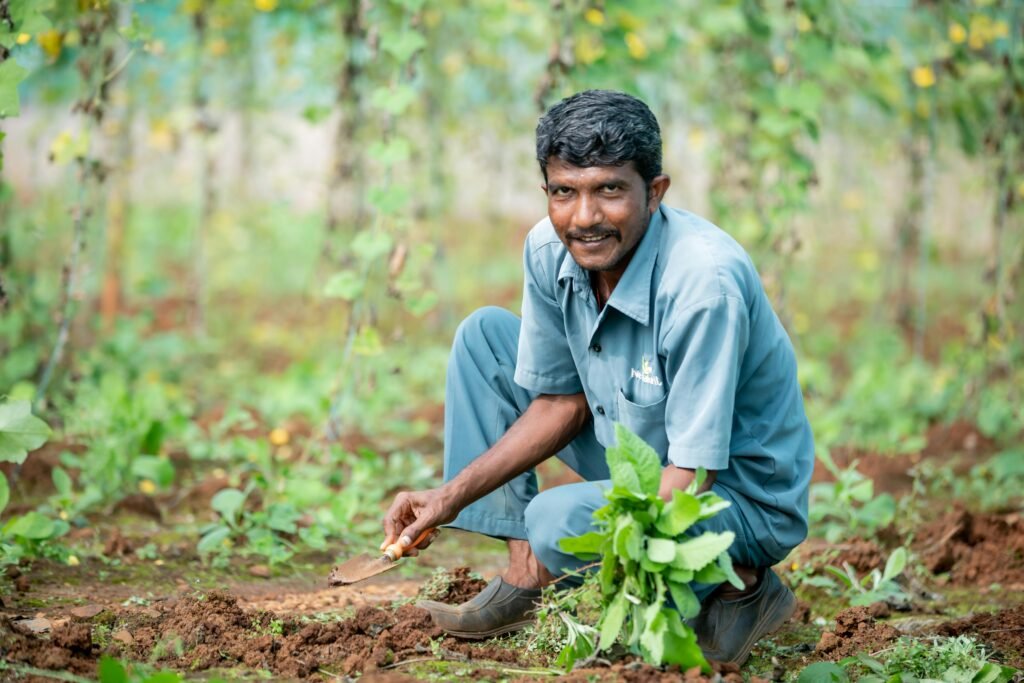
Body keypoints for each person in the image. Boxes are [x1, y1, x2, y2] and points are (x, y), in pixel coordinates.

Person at [379, 90, 814, 666]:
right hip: (639, 446)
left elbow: (693, 474)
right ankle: (525, 576)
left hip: (733, 495)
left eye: (609, 190)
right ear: (547, 193)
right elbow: (561, 401)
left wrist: (629, 617)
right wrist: (447, 497)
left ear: (654, 193)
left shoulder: (703, 284)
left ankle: (742, 583)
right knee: (484, 339)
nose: (584, 217)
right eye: (565, 191)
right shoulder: (549, 249)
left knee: (554, 520)